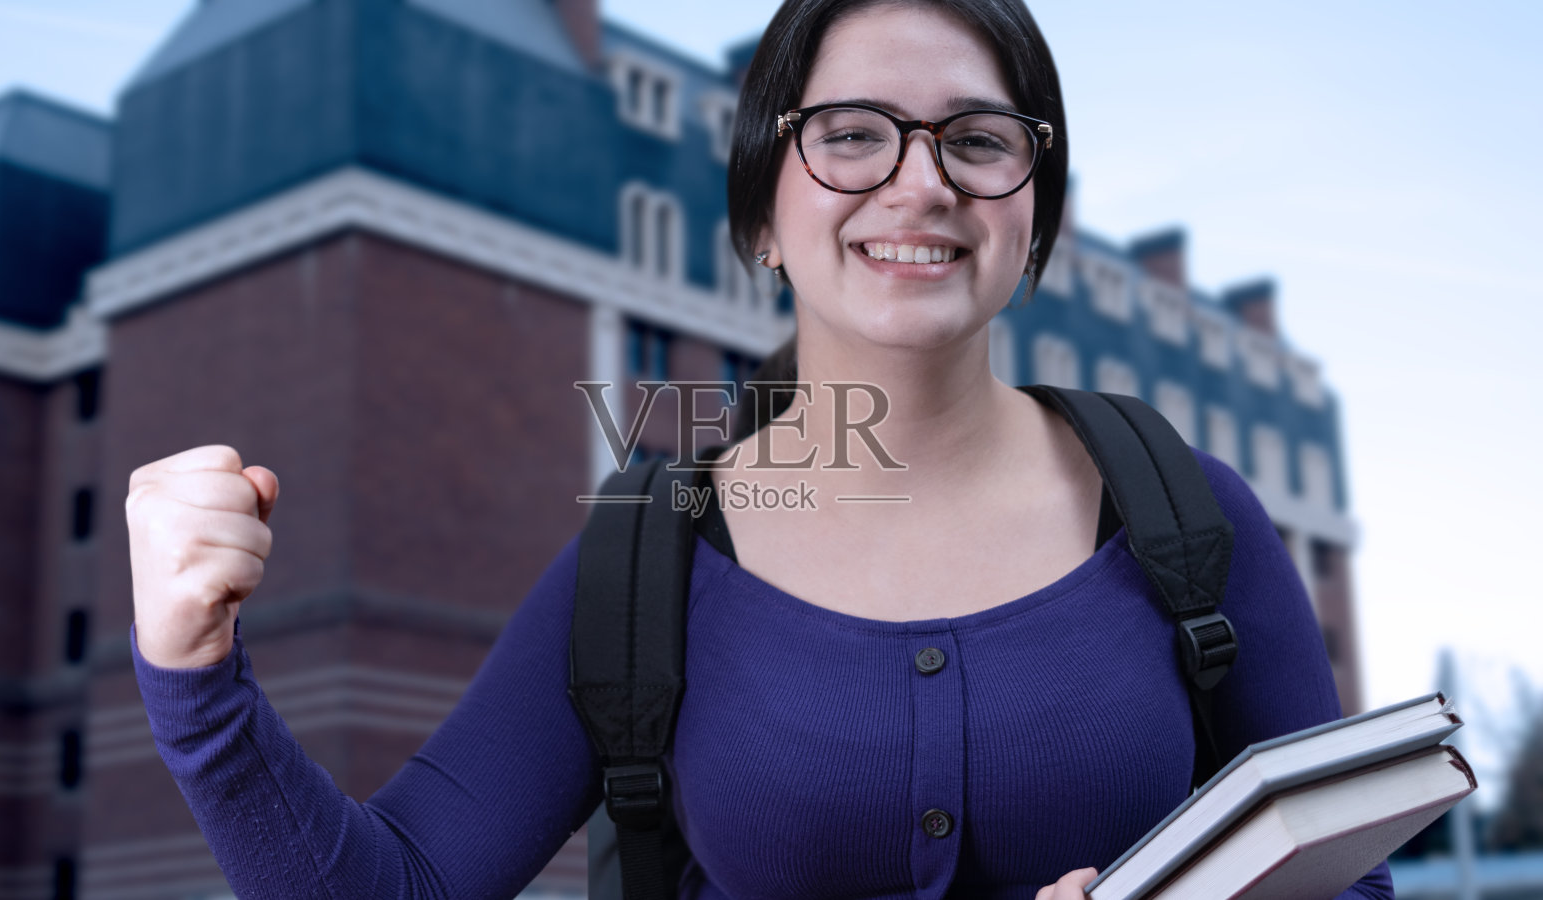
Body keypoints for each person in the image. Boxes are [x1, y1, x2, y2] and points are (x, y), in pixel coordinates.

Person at [124, 1, 1396, 897]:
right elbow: (395, 888)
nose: (920, 181)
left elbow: (1349, 883)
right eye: (851, 134)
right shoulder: (652, 557)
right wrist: (192, 677)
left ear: (1033, 222)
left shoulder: (1190, 519)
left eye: (979, 139)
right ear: (763, 217)